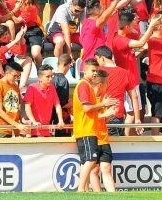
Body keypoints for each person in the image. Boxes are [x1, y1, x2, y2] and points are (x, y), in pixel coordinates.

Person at [72, 60, 117, 192]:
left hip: (89, 129)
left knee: (87, 161)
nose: (94, 73)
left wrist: (106, 109)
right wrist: (104, 105)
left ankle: (84, 189)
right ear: (84, 70)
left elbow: (90, 110)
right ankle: (81, 189)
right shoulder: (84, 85)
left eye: (96, 71)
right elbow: (86, 108)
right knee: (91, 160)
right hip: (86, 129)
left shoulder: (87, 86)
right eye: (92, 71)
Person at [94, 46, 141, 137]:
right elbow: (134, 96)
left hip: (103, 114)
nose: (97, 63)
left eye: (97, 60)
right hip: (118, 115)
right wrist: (137, 119)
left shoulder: (98, 72)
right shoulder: (125, 73)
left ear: (102, 58)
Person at [0, 61, 27, 138]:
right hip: (1, 129)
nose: (16, 79)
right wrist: (17, 124)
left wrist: (23, 120)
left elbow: (17, 108)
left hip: (14, 128)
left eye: (18, 76)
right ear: (7, 72)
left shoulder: (16, 87)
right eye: (15, 76)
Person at [23, 64, 63, 137]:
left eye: (51, 76)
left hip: (46, 129)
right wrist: (34, 122)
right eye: (48, 77)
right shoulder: (32, 87)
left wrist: (61, 120)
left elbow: (57, 105)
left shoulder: (52, 87)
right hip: (33, 130)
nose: (50, 79)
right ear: (39, 78)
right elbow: (27, 107)